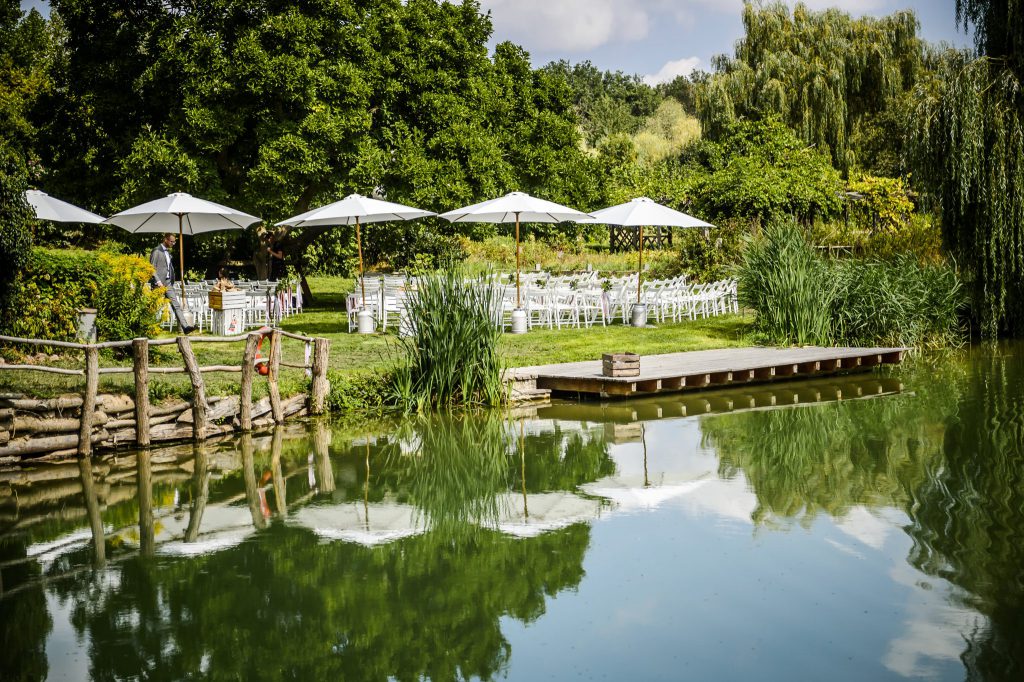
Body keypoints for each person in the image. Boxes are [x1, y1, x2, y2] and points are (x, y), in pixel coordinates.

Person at [149, 233, 195, 334]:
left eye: (174, 241)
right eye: (171, 241)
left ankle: (185, 327)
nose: (173, 243)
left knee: (176, 305)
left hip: (168, 283)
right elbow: (151, 268)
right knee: (153, 306)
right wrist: (158, 281)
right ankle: (147, 326)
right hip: (158, 284)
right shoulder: (156, 251)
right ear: (165, 239)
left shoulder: (167, 252)